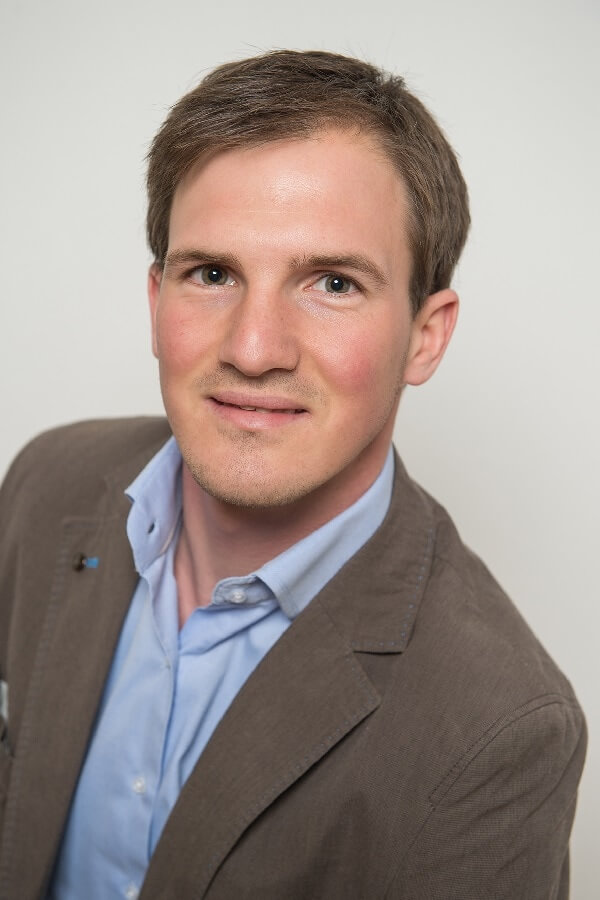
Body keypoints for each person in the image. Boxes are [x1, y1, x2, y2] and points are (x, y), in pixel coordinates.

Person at [0, 50, 586, 900]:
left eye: (333, 283)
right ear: (156, 301)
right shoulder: (44, 483)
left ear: (425, 337)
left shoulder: (501, 730)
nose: (253, 348)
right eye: (212, 274)